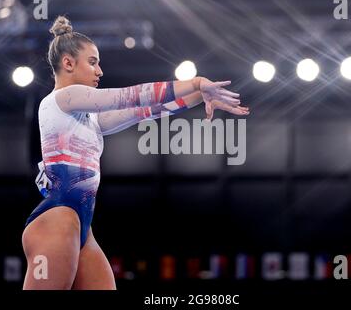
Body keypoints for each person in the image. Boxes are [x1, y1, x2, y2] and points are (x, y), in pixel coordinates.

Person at [22, 15, 249, 290]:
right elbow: (128, 95)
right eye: (93, 62)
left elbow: (146, 110)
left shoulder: (89, 119)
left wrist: (200, 96)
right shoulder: (61, 99)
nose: (100, 71)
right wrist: (196, 82)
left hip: (82, 227)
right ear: (68, 63)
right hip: (57, 219)